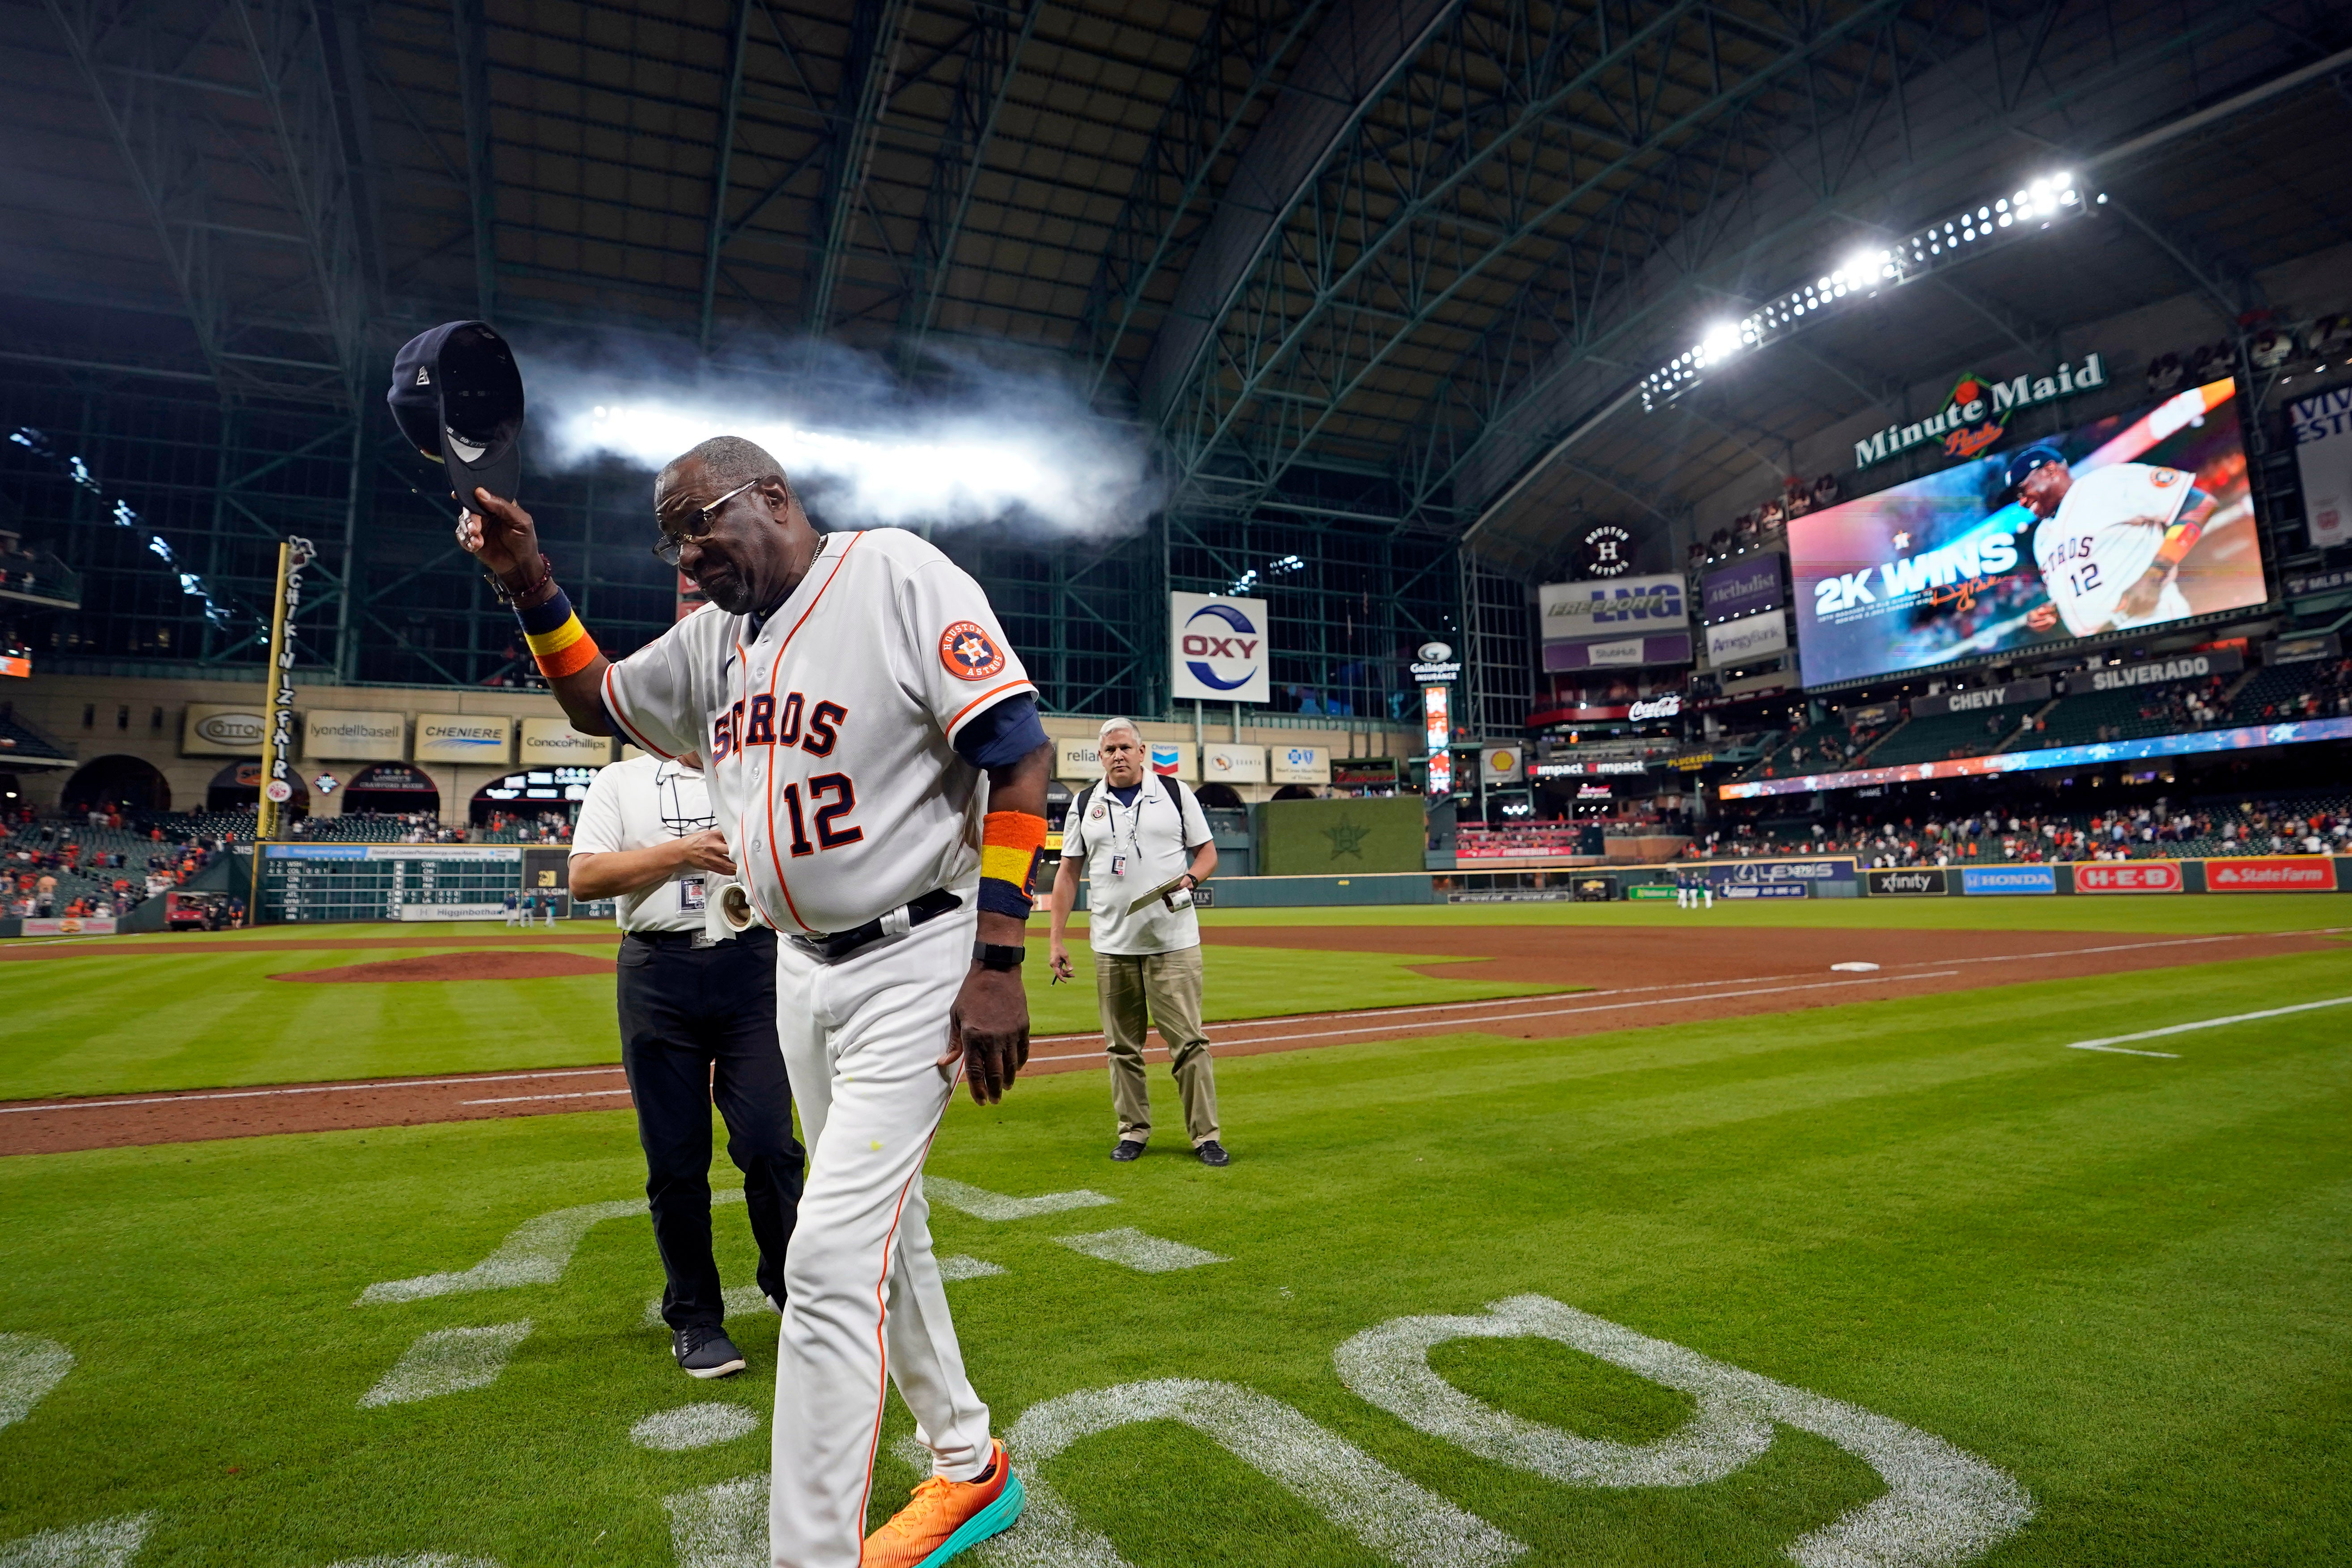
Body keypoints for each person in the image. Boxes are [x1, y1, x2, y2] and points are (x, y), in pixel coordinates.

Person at [454, 435, 1046, 1568]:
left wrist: (1001, 956)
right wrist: (529, 580)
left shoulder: (896, 575)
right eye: (672, 536)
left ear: (771, 498)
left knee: (823, 1263)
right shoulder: (718, 637)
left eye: (700, 524)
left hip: (918, 952)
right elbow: (596, 701)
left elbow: (1018, 754)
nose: (688, 553)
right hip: (801, 970)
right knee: (888, 1231)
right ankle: (968, 1462)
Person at [570, 748, 802, 1381]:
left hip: (752, 963)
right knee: (675, 1159)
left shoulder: (758, 767)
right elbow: (585, 878)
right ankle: (696, 1318)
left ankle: (795, 1291)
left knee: (768, 1142)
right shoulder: (620, 780)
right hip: (657, 970)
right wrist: (682, 852)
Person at [1045, 718, 1227, 1166]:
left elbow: (1207, 853)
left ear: (1142, 751)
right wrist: (1055, 938)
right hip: (1112, 945)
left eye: (1125, 747)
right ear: (1100, 756)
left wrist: (1189, 878)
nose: (1118, 756)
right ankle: (1133, 1131)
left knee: (1189, 1044)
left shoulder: (1175, 792)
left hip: (1173, 941)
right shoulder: (1084, 802)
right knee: (1121, 1048)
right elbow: (1068, 872)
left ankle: (1205, 1137)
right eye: (1109, 750)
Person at [2011, 442, 2221, 637]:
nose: (2020, 502)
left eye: (2023, 489)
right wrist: (2055, 611)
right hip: (2100, 647)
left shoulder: (2107, 483)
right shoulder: (2041, 537)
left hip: (2152, 623)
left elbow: (2200, 504)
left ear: (2050, 471)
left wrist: (2154, 574)